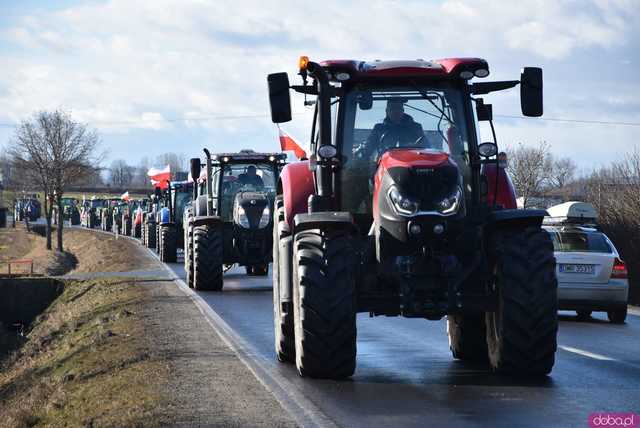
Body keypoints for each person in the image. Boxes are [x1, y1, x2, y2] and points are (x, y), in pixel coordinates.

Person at [358, 99, 425, 161]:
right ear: (387, 111)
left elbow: (426, 148)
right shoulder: (379, 129)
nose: (395, 111)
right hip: (384, 167)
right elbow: (368, 147)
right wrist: (360, 154)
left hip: (410, 164)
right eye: (392, 108)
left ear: (403, 110)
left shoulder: (415, 128)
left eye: (398, 108)